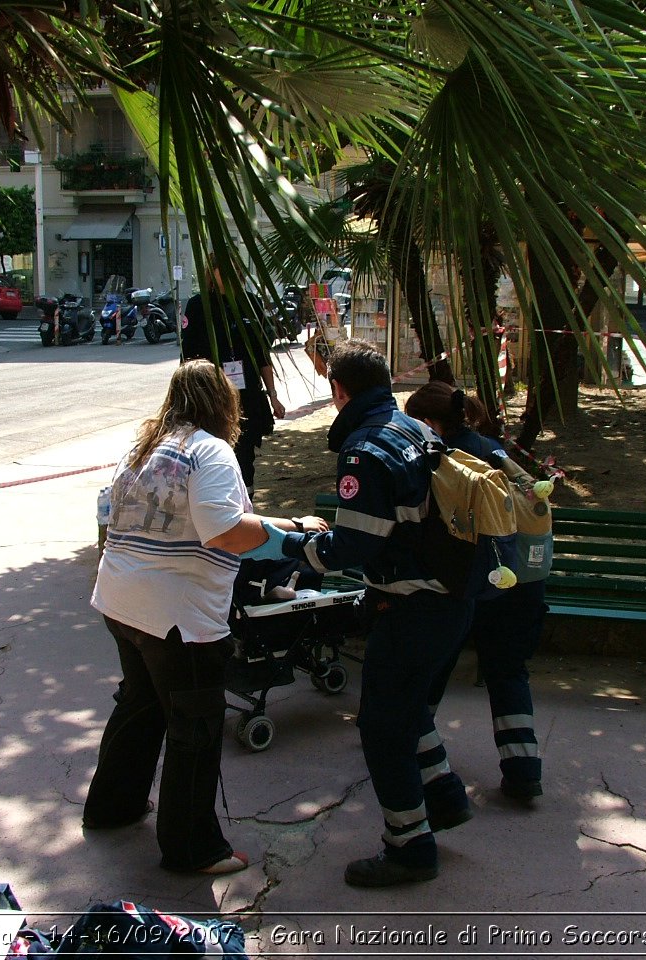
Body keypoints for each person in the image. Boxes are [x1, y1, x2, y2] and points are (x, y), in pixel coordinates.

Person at [243, 341, 474, 888]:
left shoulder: (365, 450)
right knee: (409, 707)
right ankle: (444, 797)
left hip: (414, 607)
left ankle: (409, 846)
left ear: (339, 391)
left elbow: (353, 547)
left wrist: (296, 545)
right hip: (451, 598)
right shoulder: (413, 428)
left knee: (381, 727)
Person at [83, 359, 325, 875]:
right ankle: (192, 847)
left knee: (140, 704)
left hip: (121, 600)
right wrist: (296, 536)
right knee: (194, 723)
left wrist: (282, 522)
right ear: (225, 402)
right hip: (176, 615)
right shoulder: (211, 451)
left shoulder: (146, 447)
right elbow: (224, 530)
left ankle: (112, 806)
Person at [404, 382, 547, 803]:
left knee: (433, 664)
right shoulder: (497, 450)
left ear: (430, 422)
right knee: (508, 672)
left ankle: (408, 744)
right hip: (520, 581)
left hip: (466, 583)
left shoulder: (440, 461)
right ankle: (524, 771)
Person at [181, 266, 285, 487]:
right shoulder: (199, 305)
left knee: (245, 453)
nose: (230, 273)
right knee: (210, 451)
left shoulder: (251, 303)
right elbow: (187, 359)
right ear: (212, 271)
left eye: (235, 268)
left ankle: (245, 503)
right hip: (210, 395)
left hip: (246, 395)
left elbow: (262, 355)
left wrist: (273, 395)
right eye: (223, 268)